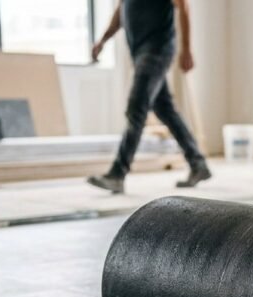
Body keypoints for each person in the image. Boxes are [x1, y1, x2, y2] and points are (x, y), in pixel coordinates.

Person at [87, 0, 211, 194]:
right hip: (140, 52)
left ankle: (117, 174)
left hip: (156, 49)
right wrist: (102, 41)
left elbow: (183, 6)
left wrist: (186, 49)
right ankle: (198, 163)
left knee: (136, 108)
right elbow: (121, 12)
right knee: (165, 110)